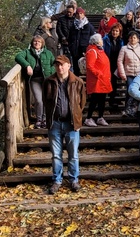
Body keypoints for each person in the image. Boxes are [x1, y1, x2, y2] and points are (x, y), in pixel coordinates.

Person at [43, 55, 86, 194]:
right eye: (57, 65)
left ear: (68, 65)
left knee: (73, 154)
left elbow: (82, 102)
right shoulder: (49, 81)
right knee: (56, 154)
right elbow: (46, 101)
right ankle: (57, 180)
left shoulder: (78, 82)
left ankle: (74, 179)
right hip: (55, 123)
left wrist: (77, 117)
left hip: (72, 123)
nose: (60, 67)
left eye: (62, 65)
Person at [15, 35, 55, 129]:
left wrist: (51, 72)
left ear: (42, 44)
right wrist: (27, 65)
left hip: (47, 80)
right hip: (34, 80)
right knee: (38, 100)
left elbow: (54, 64)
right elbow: (18, 57)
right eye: (35, 42)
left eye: (39, 42)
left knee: (46, 99)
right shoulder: (27, 52)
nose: (37, 43)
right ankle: (39, 120)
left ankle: (45, 119)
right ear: (32, 43)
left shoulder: (48, 53)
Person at [84, 34, 113, 127]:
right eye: (101, 40)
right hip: (97, 80)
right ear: (96, 42)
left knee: (102, 100)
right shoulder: (92, 51)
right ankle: (88, 118)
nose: (102, 42)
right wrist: (99, 74)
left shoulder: (100, 50)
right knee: (94, 100)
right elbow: (90, 66)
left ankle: (100, 117)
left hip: (103, 80)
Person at [117, 31, 140, 110]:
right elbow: (120, 61)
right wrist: (122, 73)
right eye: (131, 37)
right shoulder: (124, 48)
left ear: (137, 39)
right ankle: (127, 109)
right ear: (128, 39)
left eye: (134, 38)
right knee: (130, 91)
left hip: (139, 73)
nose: (132, 39)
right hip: (129, 73)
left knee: (139, 91)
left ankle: (137, 109)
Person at [69, 7, 95, 75]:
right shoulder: (73, 26)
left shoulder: (89, 26)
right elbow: (69, 38)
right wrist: (71, 48)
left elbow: (93, 39)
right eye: (78, 14)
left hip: (85, 52)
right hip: (75, 52)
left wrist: (89, 50)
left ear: (84, 14)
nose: (79, 15)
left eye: (81, 13)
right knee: (76, 71)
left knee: (86, 71)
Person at [103, 23, 124, 107]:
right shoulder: (106, 39)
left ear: (119, 32)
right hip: (106, 63)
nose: (114, 32)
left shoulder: (120, 41)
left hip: (116, 64)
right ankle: (103, 100)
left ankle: (112, 100)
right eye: (113, 30)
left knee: (114, 82)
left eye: (116, 31)